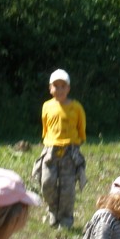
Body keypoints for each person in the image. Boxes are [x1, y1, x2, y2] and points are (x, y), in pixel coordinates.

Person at [33, 68, 86, 229]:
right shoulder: (46, 106)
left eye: (63, 86)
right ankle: (53, 212)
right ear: (50, 89)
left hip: (69, 153)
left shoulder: (76, 107)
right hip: (50, 151)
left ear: (68, 88)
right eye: (56, 86)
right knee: (47, 183)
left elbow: (81, 128)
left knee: (67, 188)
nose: (59, 89)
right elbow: (45, 127)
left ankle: (66, 219)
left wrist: (76, 144)